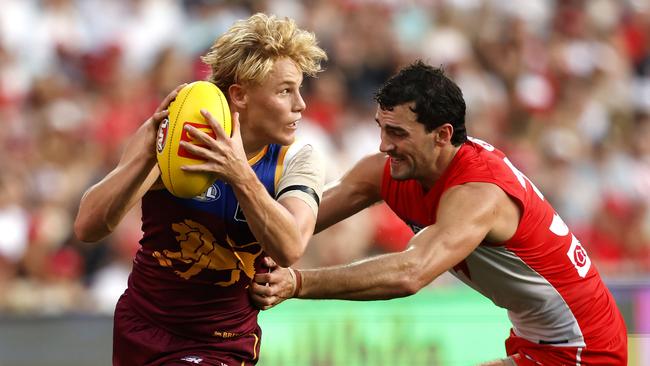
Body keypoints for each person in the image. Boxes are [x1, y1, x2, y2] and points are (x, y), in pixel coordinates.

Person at [250, 61, 628, 365]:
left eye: (397, 133)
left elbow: (410, 273)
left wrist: (297, 283)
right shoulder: (391, 170)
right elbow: (295, 224)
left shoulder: (480, 192)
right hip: (537, 338)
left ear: (442, 135)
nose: (384, 146)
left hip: (585, 350)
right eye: (381, 129)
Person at [74, 13, 327, 366]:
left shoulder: (298, 158)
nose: (301, 104)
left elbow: (289, 247)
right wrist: (146, 156)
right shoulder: (180, 139)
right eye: (286, 91)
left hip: (221, 342)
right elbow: (88, 227)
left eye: (299, 89)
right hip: (142, 327)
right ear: (239, 95)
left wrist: (239, 174)